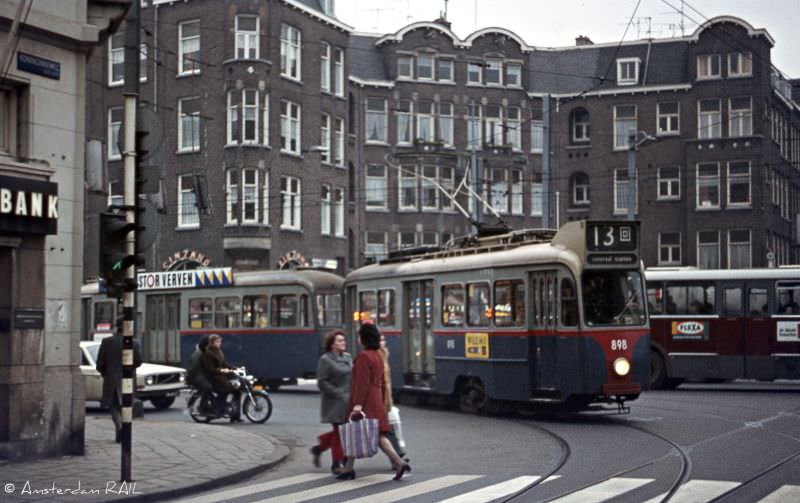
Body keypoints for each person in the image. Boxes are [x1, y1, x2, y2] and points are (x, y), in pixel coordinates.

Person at [337, 323, 410, 481]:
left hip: (366, 399)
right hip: (376, 398)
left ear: (363, 338)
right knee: (375, 433)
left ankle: (397, 462)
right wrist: (383, 400)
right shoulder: (378, 355)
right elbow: (383, 381)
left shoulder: (364, 357)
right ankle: (349, 467)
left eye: (359, 336)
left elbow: (362, 383)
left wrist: (357, 404)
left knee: (358, 431)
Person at [310, 330, 352, 474]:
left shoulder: (348, 357)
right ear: (332, 345)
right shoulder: (325, 360)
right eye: (340, 341)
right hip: (335, 402)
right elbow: (322, 382)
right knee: (340, 432)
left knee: (344, 432)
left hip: (349, 401)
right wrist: (337, 393)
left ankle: (319, 447)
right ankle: (337, 463)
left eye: (343, 340)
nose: (343, 343)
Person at [96, 332, 142, 443]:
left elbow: (100, 363)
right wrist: (129, 370)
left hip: (111, 378)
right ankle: (122, 430)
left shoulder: (107, 342)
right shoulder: (134, 342)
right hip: (127, 379)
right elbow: (138, 361)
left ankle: (119, 427)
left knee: (113, 406)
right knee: (125, 406)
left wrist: (105, 373)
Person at [379, 334, 409, 465]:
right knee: (383, 431)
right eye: (380, 340)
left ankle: (396, 458)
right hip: (378, 400)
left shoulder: (384, 355)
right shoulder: (375, 357)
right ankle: (397, 456)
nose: (383, 342)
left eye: (384, 340)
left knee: (386, 430)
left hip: (385, 400)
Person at [202, 334, 241, 422]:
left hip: (220, 378)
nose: (219, 343)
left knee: (237, 391)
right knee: (225, 390)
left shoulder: (219, 352)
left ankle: (235, 415)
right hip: (212, 379)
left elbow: (224, 363)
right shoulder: (208, 353)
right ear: (212, 343)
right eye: (217, 342)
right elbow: (210, 369)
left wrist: (234, 368)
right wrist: (222, 370)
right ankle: (217, 410)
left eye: (220, 342)